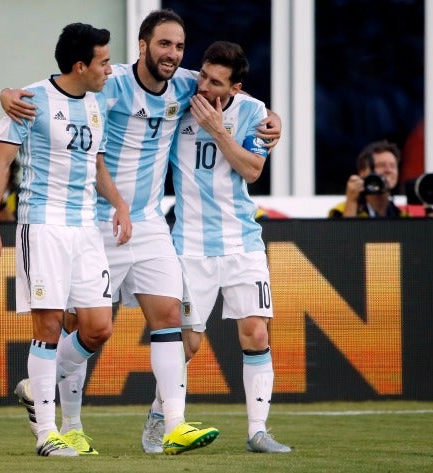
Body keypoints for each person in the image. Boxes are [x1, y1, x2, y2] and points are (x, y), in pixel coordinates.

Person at [1, 8, 282, 455]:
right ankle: (68, 421)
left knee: (170, 318)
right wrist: (6, 94)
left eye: (179, 46)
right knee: (87, 330)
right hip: (93, 220)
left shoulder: (190, 84)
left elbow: (241, 99)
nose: (172, 54)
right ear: (144, 45)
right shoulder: (108, 81)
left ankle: (173, 424)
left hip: (149, 222)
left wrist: (274, 122)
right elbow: (54, 90)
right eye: (164, 44)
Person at [0, 22, 132, 457]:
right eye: (103, 62)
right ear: (80, 65)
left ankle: (35, 388)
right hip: (42, 225)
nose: (108, 69)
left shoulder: (97, 104)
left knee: (98, 327)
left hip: (87, 229)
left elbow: (97, 166)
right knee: (47, 327)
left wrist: (118, 204)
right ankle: (48, 432)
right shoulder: (30, 101)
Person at [164, 41, 291, 454]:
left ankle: (258, 431)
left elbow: (253, 170)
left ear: (235, 87)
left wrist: (220, 131)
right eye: (202, 74)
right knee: (188, 343)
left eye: (215, 82)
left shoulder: (252, 113)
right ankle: (163, 417)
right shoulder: (180, 95)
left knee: (255, 332)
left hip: (241, 241)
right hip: (189, 244)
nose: (203, 87)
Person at [328, 140, 409, 218]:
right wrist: (352, 202)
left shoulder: (404, 216)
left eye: (393, 166)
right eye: (381, 165)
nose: (388, 170)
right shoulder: (339, 211)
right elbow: (344, 232)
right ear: (362, 172)